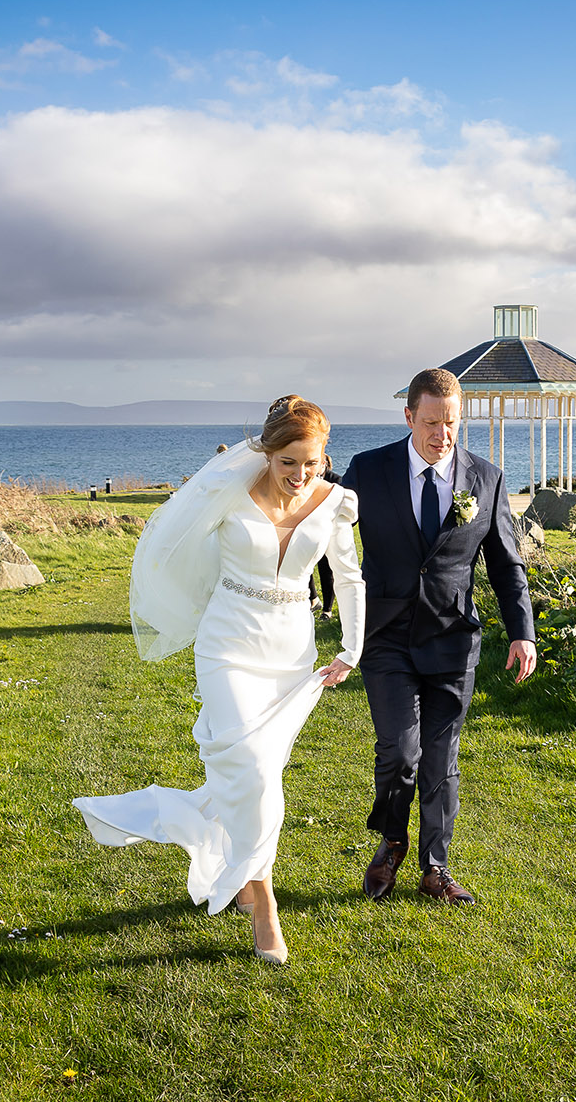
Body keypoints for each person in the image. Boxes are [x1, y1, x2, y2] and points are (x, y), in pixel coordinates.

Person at [74, 396, 364, 965]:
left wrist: (352, 647)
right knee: (252, 770)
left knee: (255, 778)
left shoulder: (336, 503)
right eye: (288, 463)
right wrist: (181, 606)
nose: (300, 476)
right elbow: (175, 548)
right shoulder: (229, 492)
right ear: (266, 453)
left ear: (324, 457)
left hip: (290, 655)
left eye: (312, 463)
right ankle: (262, 901)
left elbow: (349, 577)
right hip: (228, 647)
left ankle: (227, 857)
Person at [341, 368, 535, 906]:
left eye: (451, 424)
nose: (441, 435)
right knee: (399, 752)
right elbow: (320, 527)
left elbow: (506, 564)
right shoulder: (368, 470)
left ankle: (436, 867)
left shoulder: (487, 479)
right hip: (386, 636)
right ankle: (392, 844)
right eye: (431, 423)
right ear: (409, 417)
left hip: (452, 638)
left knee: (440, 759)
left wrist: (523, 632)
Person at [307, 453, 342, 620]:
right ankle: (313, 599)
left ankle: (327, 610)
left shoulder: (336, 481)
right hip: (308, 531)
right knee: (306, 568)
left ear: (324, 464)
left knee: (326, 571)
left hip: (329, 532)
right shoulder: (307, 479)